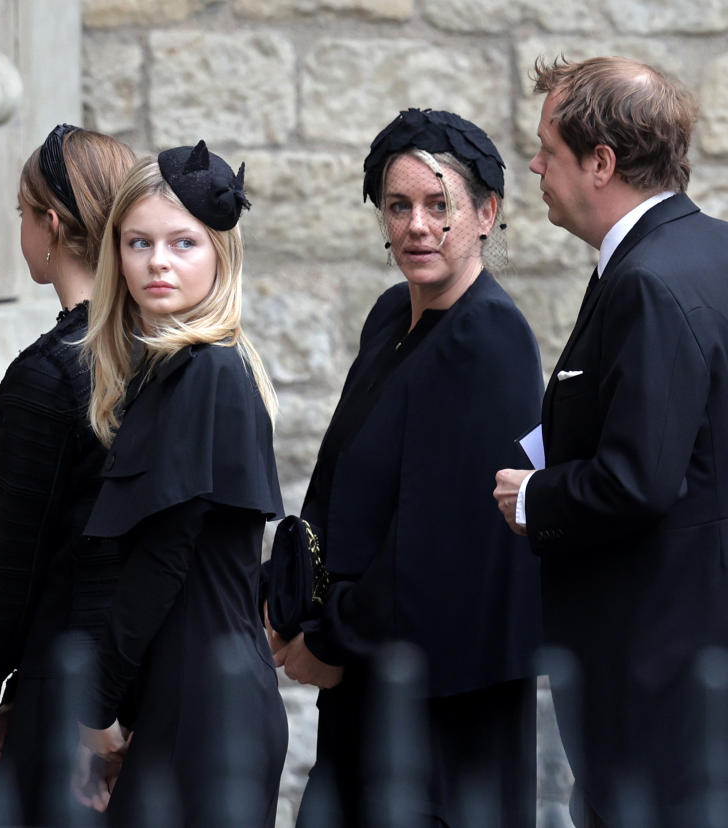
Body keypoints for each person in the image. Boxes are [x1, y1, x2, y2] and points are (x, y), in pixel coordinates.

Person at [493, 56, 728, 827]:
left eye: (548, 147)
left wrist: (535, 496)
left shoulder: (649, 280)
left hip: (669, 661)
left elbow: (641, 479)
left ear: (602, 163)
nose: (536, 166)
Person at [272, 108, 544, 827]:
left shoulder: (490, 336)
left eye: (439, 204)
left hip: (442, 699)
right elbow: (335, 478)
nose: (417, 226)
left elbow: (442, 538)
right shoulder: (393, 317)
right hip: (369, 668)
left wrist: (331, 641)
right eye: (399, 206)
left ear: (486, 214)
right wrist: (292, 600)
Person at [74, 142, 287, 826]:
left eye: (182, 243)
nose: (157, 261)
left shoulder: (207, 373)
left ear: (220, 254)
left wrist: (95, 709)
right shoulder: (168, 371)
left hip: (208, 706)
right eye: (139, 242)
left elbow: (162, 560)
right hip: (186, 696)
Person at [0, 124, 136, 824]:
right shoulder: (171, 358)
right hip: (151, 700)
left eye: (23, 212)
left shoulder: (48, 374)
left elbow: (6, 558)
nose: (21, 228)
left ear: (50, 225)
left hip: (64, 700)